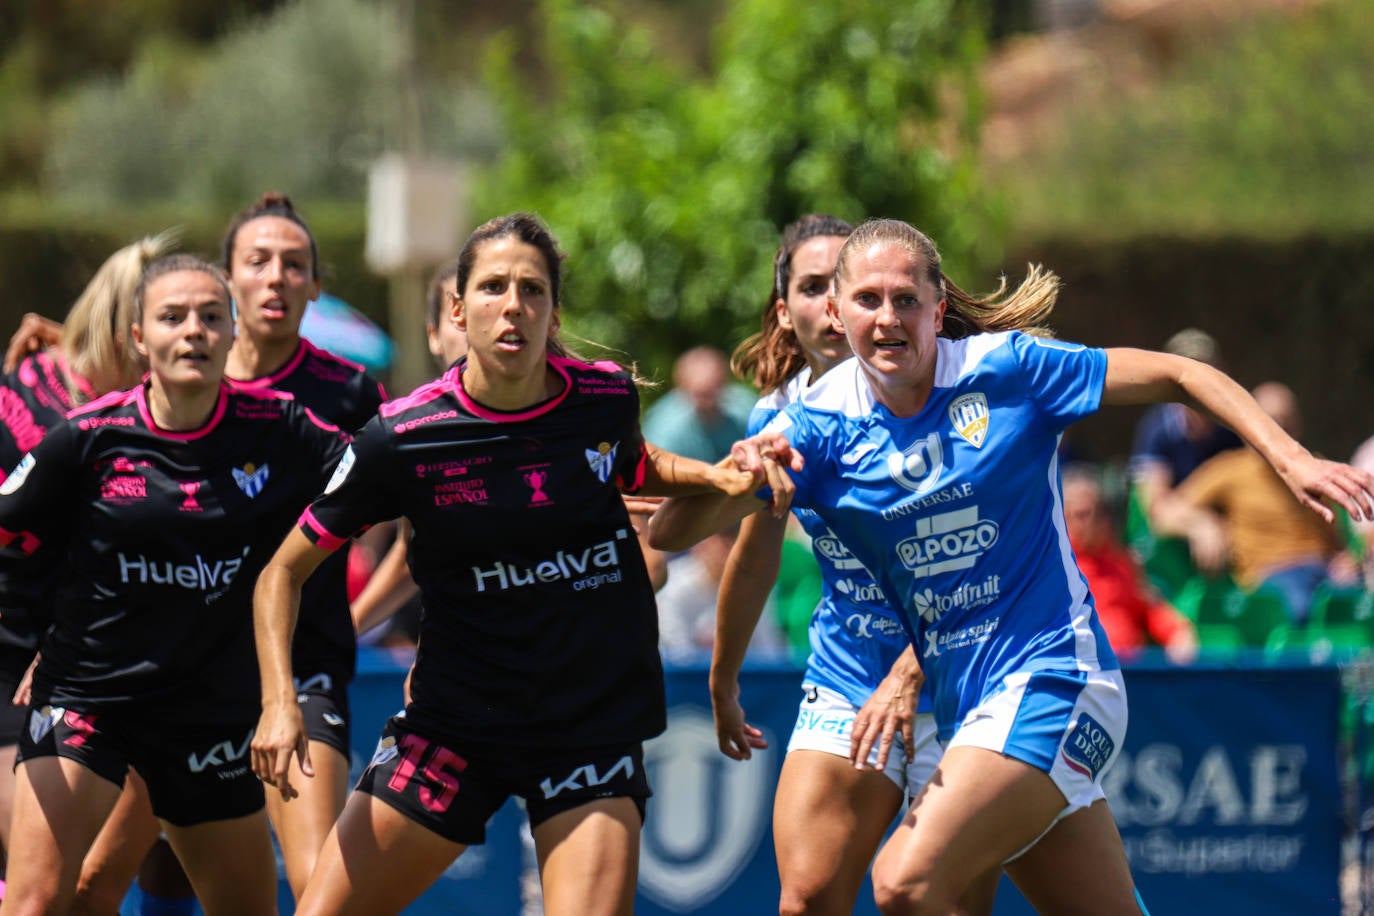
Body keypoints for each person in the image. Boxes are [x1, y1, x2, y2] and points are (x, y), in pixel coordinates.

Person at [650, 218, 1374, 915]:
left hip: (1053, 673)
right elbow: (682, 532)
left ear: (938, 307)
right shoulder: (813, 425)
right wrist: (730, 478)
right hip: (951, 695)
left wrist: (1293, 458)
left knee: (902, 883)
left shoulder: (1007, 370)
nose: (888, 316)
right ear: (837, 313)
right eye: (867, 299)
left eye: (907, 298)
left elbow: (1180, 374)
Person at [248, 213, 772, 916]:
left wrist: (717, 477)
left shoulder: (603, 397)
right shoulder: (400, 439)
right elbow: (281, 572)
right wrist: (279, 703)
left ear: (554, 311)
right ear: (459, 310)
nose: (513, 305)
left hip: (588, 726)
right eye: (493, 287)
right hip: (455, 726)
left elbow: (634, 466)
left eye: (532, 289)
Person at [0, 254, 349, 915]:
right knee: (40, 903)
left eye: (211, 317)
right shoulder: (86, 438)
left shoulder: (281, 427)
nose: (193, 331)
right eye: (172, 317)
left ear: (233, 332)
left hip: (210, 718)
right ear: (139, 338)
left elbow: (389, 473)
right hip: (89, 702)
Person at [670, 214, 985, 916]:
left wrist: (912, 669)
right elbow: (748, 559)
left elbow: (984, 563)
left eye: (878, 290)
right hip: (850, 673)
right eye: (814, 287)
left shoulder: (953, 392)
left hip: (968, 671)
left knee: (944, 902)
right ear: (790, 312)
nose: (845, 306)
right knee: (808, 899)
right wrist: (724, 681)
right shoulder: (779, 419)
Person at [220, 191, 388, 899]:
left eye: (295, 265)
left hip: (305, 669)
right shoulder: (182, 381)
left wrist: (368, 612)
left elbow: (416, 519)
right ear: (228, 277)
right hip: (181, 671)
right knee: (111, 877)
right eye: (257, 261)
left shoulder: (349, 393)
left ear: (315, 287)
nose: (276, 277)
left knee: (318, 880)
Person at [0, 234, 175, 904]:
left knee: (101, 878)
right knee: (43, 887)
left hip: (126, 667)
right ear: (129, 328)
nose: (187, 340)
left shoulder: (165, 409)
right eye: (167, 320)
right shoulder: (35, 402)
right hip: (18, 659)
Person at [1150, 381, 1361, 622]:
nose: (1281, 427)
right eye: (1272, 420)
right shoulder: (1230, 469)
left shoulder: (1314, 469)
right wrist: (1201, 524)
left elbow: (1336, 536)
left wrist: (1346, 560)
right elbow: (1163, 512)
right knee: (1303, 608)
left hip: (1324, 572)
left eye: (1286, 419)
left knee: (1359, 605)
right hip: (1271, 578)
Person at [1061, 466, 1198, 664]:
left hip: (1130, 673)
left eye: (1099, 512)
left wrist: (1177, 632)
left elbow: (1149, 609)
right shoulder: (1054, 567)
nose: (1094, 522)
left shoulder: (1121, 562)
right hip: (1080, 673)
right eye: (1081, 514)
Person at [1127, 328, 1242, 526]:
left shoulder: (1233, 427)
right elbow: (1157, 509)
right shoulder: (1158, 429)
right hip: (1167, 540)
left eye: (1205, 371)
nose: (1195, 383)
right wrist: (1201, 524)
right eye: (1185, 373)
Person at [641, 345, 755, 463]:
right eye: (700, 393)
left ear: (724, 383)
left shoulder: (746, 409)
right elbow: (655, 468)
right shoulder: (663, 427)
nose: (705, 399)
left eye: (710, 390)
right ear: (681, 387)